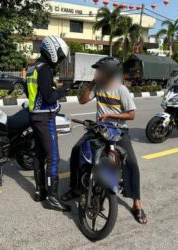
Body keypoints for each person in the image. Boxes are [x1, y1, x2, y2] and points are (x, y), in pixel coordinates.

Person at [61, 57, 148, 224]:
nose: (97, 73)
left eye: (100, 71)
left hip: (118, 131)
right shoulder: (98, 86)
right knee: (76, 150)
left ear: (109, 73)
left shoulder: (121, 90)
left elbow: (131, 114)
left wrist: (111, 115)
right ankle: (75, 188)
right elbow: (82, 100)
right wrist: (93, 83)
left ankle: (137, 203)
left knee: (132, 164)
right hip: (99, 130)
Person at [26, 35, 71, 212]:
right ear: (52, 50)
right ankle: (53, 198)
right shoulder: (44, 69)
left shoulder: (32, 67)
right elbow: (49, 97)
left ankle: (40, 191)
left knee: (39, 155)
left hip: (34, 116)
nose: (59, 60)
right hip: (45, 118)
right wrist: (63, 90)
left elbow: (34, 92)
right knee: (53, 157)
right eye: (59, 56)